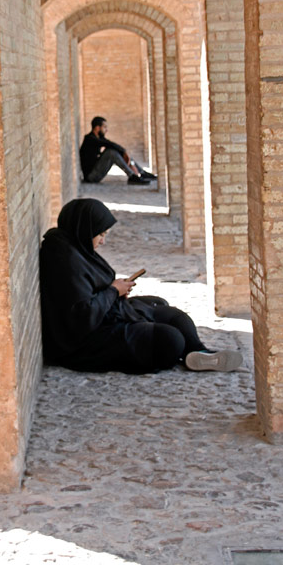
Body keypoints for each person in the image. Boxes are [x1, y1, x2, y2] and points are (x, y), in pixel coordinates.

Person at [39, 197, 242, 375]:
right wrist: (113, 291)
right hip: (86, 340)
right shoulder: (65, 262)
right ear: (83, 229)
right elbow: (81, 317)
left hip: (107, 313)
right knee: (170, 340)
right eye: (100, 235)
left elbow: (93, 288)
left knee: (172, 314)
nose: (102, 241)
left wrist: (115, 291)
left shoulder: (76, 249)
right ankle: (187, 351)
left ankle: (199, 352)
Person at [80, 116, 156, 186]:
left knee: (118, 152)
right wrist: (123, 152)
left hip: (95, 171)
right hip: (91, 176)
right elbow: (110, 144)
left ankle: (142, 173)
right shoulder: (90, 139)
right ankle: (132, 176)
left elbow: (112, 144)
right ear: (97, 128)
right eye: (104, 127)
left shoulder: (98, 138)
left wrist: (124, 153)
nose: (106, 130)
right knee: (111, 152)